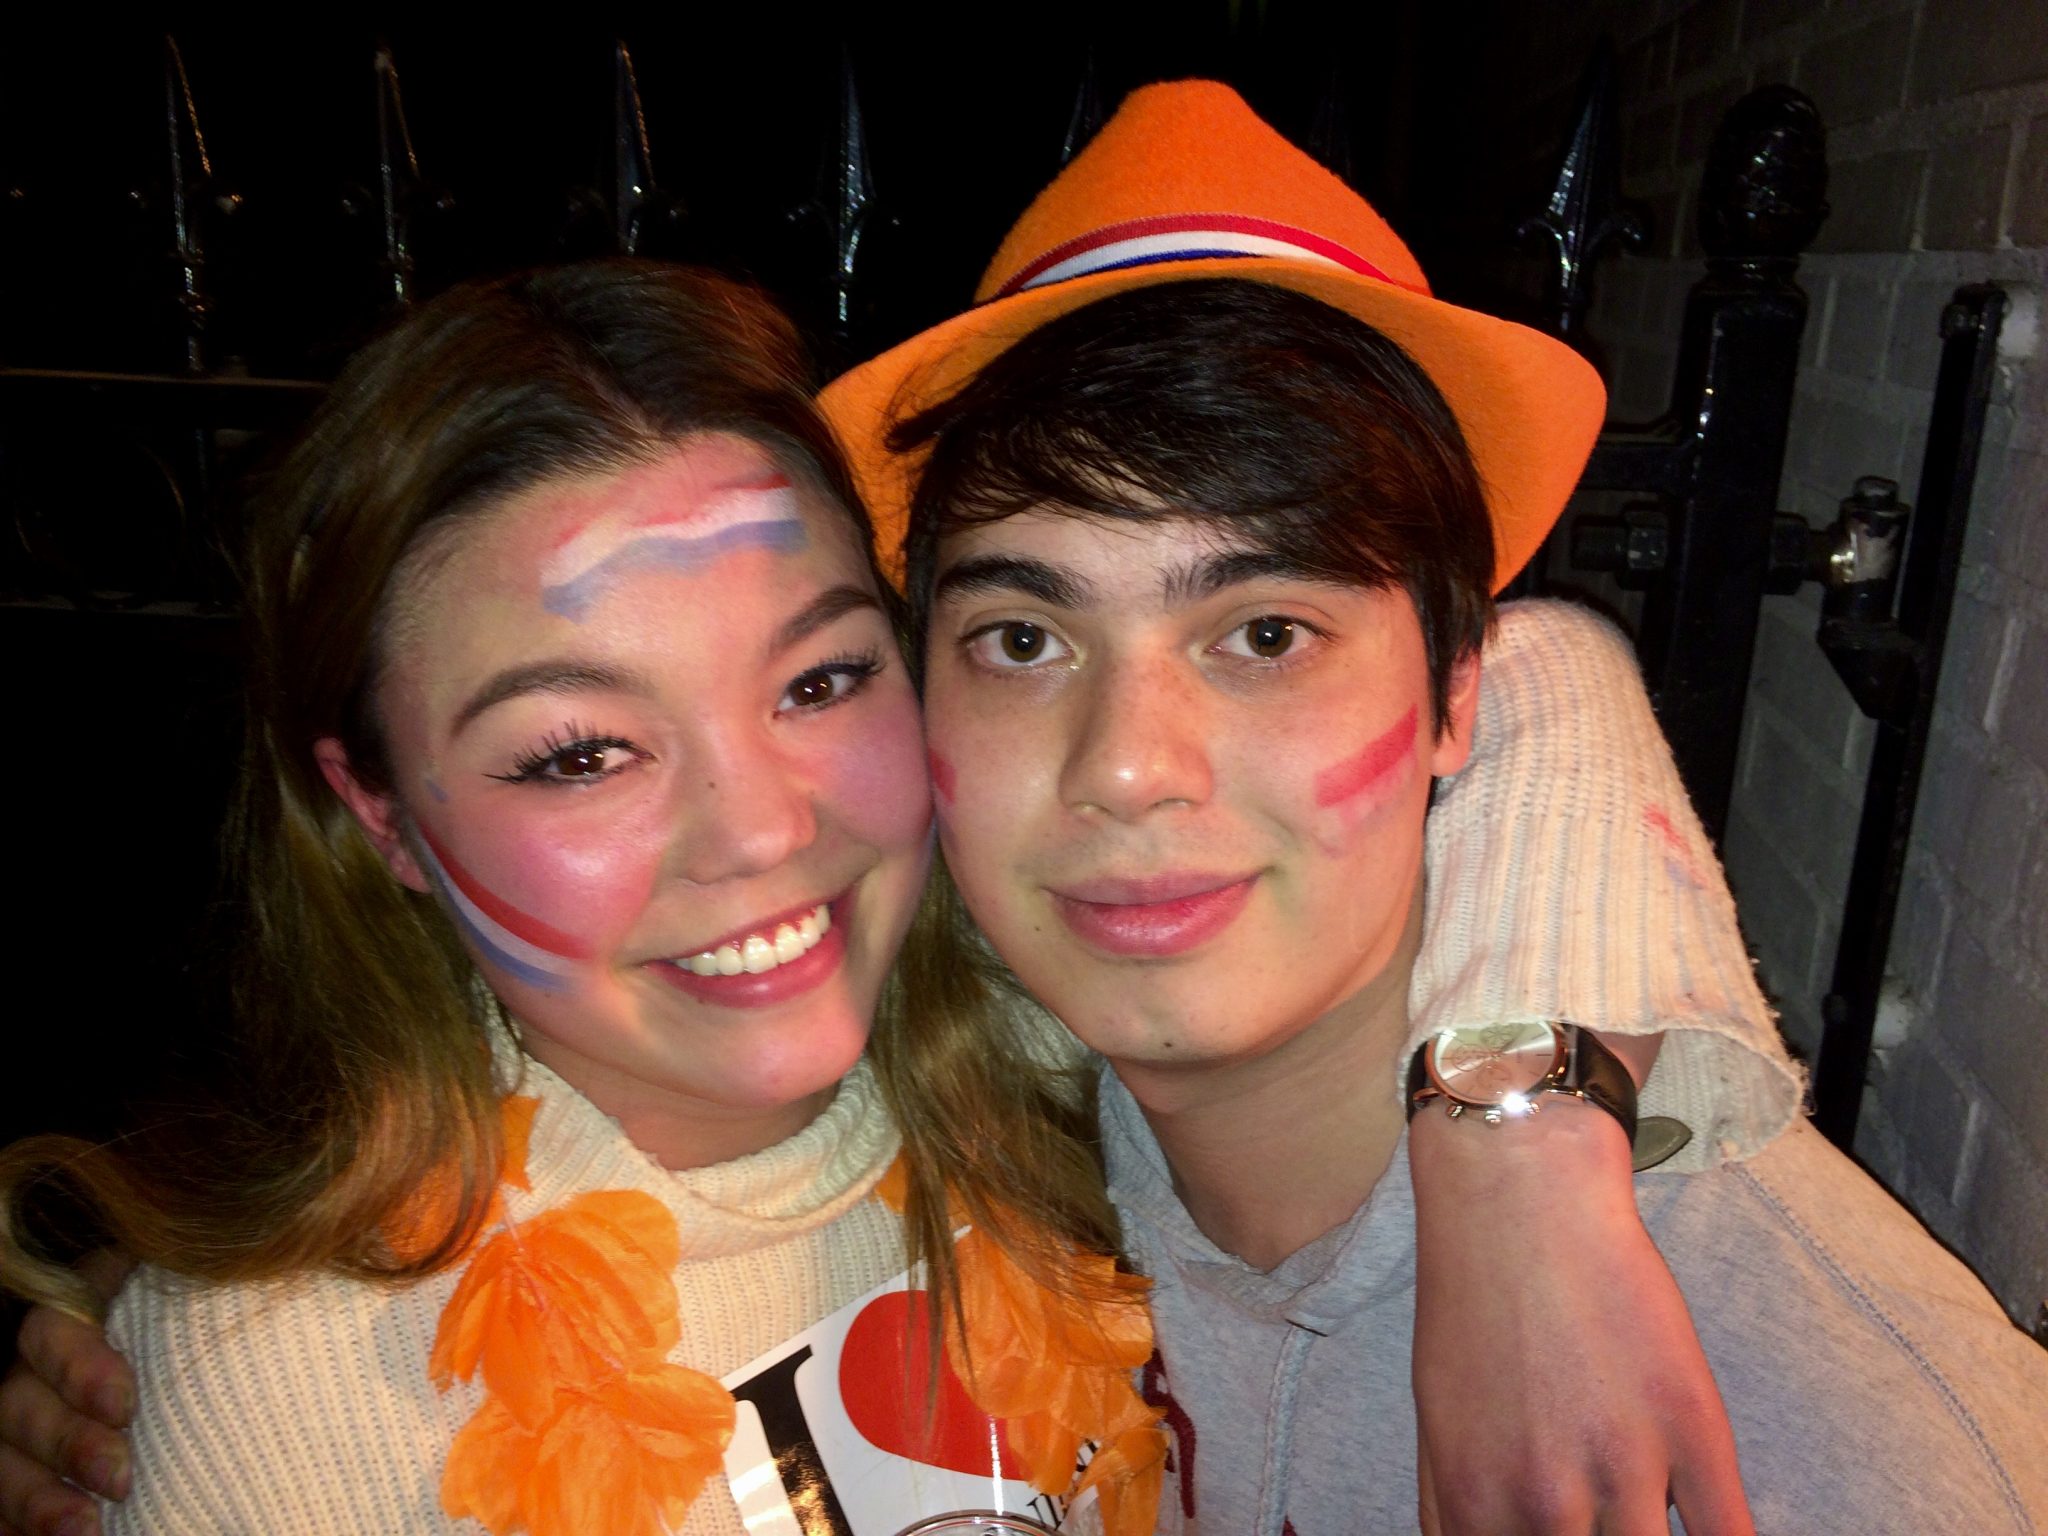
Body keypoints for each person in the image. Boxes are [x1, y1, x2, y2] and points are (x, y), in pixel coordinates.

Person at [0, 121, 1805, 1536]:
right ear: (380, 816)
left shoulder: (1031, 1042)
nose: (758, 835)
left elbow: (1528, 676)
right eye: (579, 752)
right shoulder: (255, 1396)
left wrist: (1518, 1159)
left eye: (816, 681)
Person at [812, 79, 2048, 1534]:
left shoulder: (1852, 1438)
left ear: (1462, 690)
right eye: (1025, 639)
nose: (1127, 767)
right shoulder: (956, 1120)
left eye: (1266, 633)